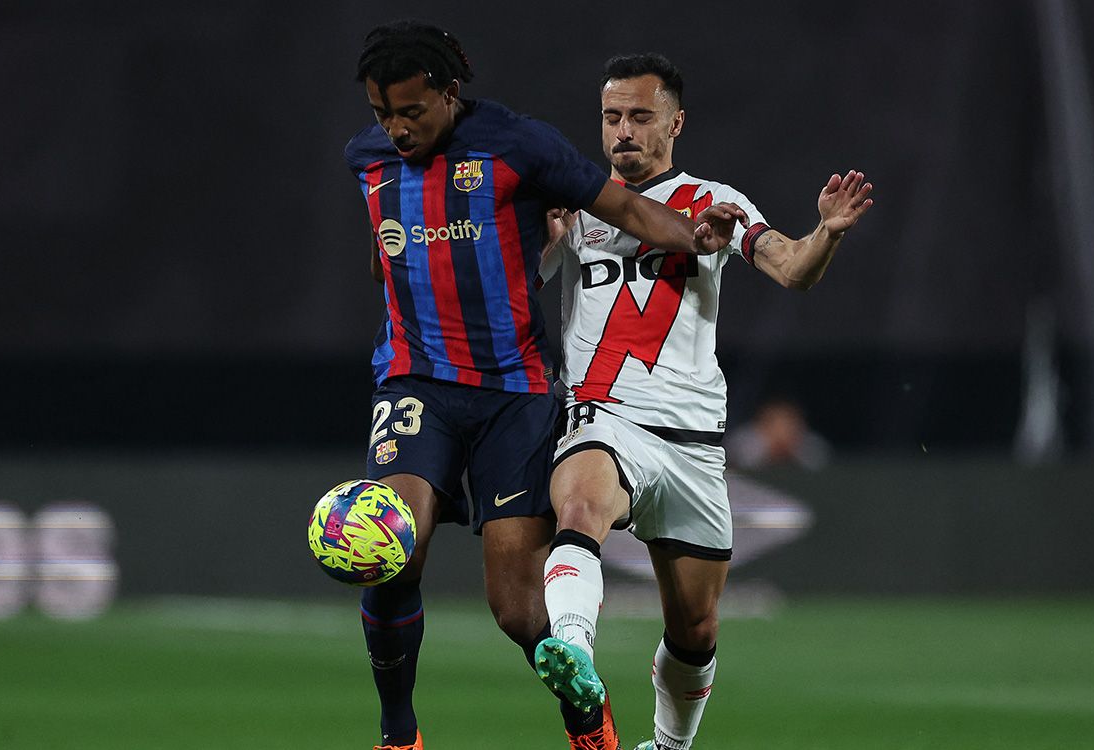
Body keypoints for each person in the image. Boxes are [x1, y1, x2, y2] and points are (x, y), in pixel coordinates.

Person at [343, 23, 745, 750]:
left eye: (411, 111)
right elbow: (387, 250)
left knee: (519, 610)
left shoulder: (520, 145)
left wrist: (694, 236)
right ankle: (399, 735)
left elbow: (624, 209)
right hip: (415, 380)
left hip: (516, 392)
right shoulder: (365, 159)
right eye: (382, 115)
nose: (397, 129)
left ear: (447, 91)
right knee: (390, 546)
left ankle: (589, 722)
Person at [536, 53, 874, 750]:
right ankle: (573, 651)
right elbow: (512, 281)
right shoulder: (574, 203)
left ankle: (669, 747)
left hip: (690, 441)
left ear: (675, 122)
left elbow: (790, 269)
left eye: (638, 116)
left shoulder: (712, 201)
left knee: (695, 630)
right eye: (610, 117)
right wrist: (540, 238)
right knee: (581, 504)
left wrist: (826, 236)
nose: (622, 131)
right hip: (604, 416)